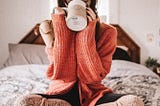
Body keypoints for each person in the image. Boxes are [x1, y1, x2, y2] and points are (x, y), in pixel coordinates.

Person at [14, 0, 144, 106]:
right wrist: (61, 27)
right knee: (23, 102)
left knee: (133, 102)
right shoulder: (51, 28)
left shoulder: (108, 32)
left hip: (94, 94)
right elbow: (60, 72)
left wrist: (87, 31)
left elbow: (92, 77)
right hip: (60, 92)